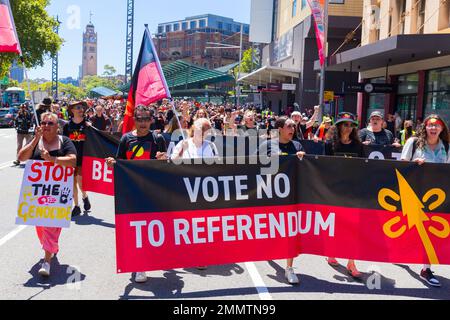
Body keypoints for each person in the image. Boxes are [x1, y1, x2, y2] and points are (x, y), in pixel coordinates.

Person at [106, 105, 167, 284]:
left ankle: (147, 259)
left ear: (151, 120)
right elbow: (120, 163)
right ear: (134, 120)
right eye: (139, 119)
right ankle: (140, 265)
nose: (142, 122)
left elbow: (166, 167)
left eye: (146, 119)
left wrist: (165, 159)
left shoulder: (158, 139)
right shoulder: (126, 139)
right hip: (131, 190)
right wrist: (112, 162)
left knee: (151, 228)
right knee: (136, 229)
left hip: (153, 190)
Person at [17, 112, 77, 277]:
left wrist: (52, 159)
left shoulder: (65, 142)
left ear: (57, 127)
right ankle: (51, 248)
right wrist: (35, 140)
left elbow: (72, 160)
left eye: (50, 123)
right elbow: (21, 157)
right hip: (37, 194)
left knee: (51, 225)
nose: (46, 126)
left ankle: (47, 260)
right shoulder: (37, 141)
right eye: (43, 123)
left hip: (58, 194)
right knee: (41, 227)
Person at [400, 114, 450, 287]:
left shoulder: (448, 147)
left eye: (437, 126)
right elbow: (401, 166)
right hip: (414, 194)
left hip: (437, 197)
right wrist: (414, 164)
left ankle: (425, 268)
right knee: (410, 230)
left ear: (442, 129)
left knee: (430, 233)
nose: (433, 128)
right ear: (425, 127)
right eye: (430, 125)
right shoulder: (413, 143)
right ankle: (400, 253)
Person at [257, 117, 305, 285]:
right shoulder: (266, 146)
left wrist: (302, 158)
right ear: (279, 129)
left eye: (294, 125)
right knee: (274, 228)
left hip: (292, 195)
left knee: (290, 230)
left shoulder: (297, 146)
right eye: (289, 126)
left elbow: (305, 168)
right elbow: (255, 169)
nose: (292, 128)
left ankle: (289, 268)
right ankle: (269, 247)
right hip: (271, 195)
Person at [324, 112, 364, 278]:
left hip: (353, 191)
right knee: (336, 225)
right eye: (345, 124)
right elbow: (323, 165)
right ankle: (332, 252)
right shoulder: (329, 144)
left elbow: (364, 166)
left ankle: (351, 262)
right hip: (335, 191)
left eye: (351, 125)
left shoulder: (358, 145)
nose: (349, 127)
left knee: (353, 228)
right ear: (339, 126)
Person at [63, 101, 91, 217]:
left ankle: (85, 196)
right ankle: (76, 206)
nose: (81, 109)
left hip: (82, 158)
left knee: (80, 182)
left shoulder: (88, 125)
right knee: (71, 182)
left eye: (82, 108)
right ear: (72, 110)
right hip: (70, 158)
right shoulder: (67, 126)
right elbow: (63, 142)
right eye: (78, 107)